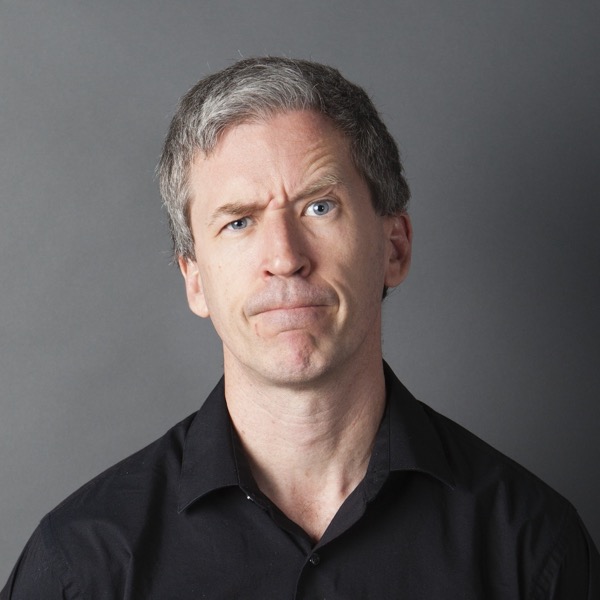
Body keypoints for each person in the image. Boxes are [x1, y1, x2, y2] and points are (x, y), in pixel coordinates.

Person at [2, 56, 598, 599]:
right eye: (239, 222)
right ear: (195, 281)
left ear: (394, 248)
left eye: (319, 206)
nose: (285, 257)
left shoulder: (533, 548)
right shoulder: (82, 565)